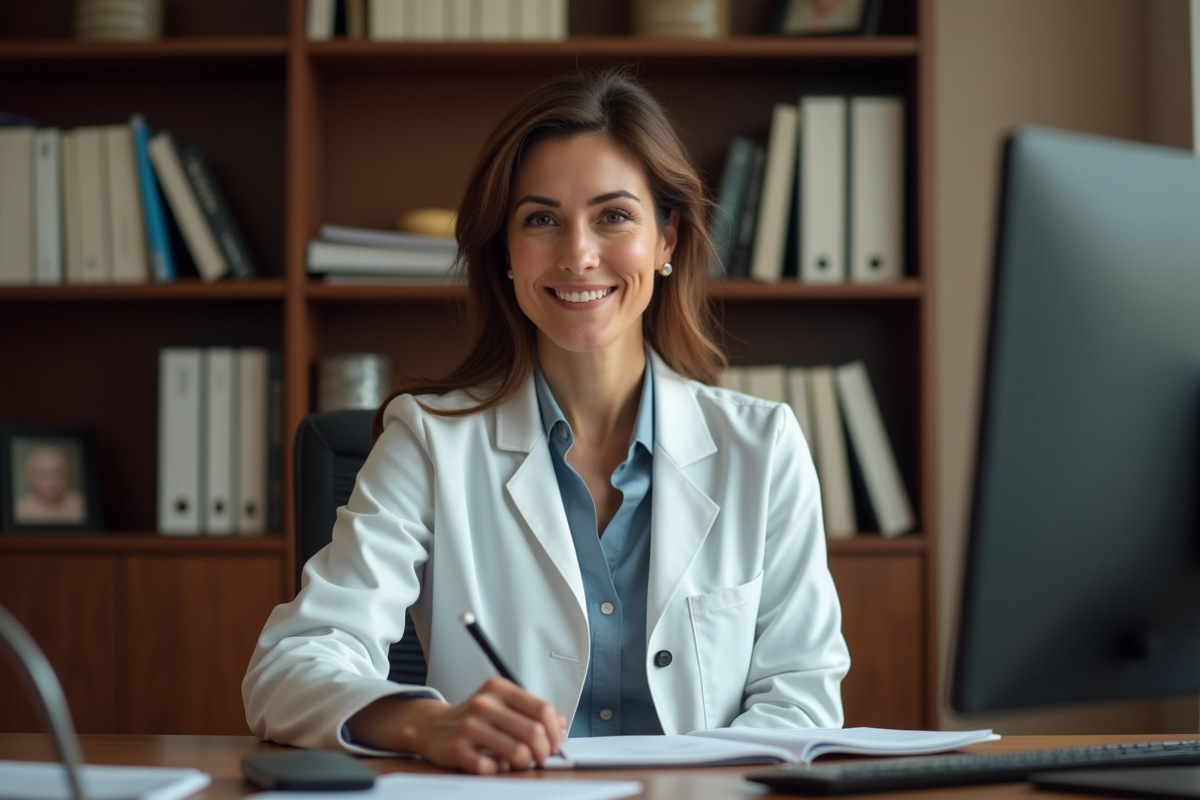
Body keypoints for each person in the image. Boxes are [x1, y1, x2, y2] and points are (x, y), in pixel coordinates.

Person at [243, 69, 849, 775]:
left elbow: (802, 697)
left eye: (614, 216)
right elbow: (290, 667)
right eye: (540, 220)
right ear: (504, 251)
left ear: (667, 240)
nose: (578, 255)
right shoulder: (429, 440)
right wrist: (427, 724)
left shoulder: (763, 447)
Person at [15, 445, 86, 524]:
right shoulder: (20, 510)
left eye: (58, 474)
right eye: (44, 474)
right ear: (30, 478)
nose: (52, 482)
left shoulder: (81, 505)